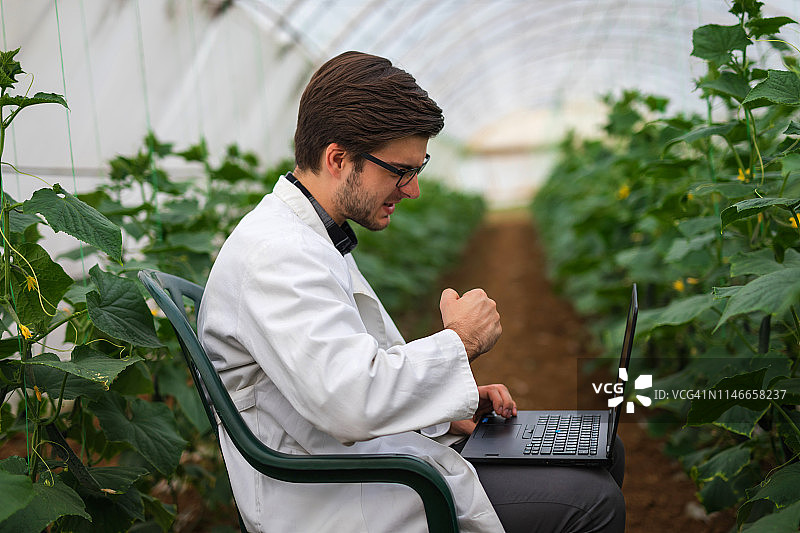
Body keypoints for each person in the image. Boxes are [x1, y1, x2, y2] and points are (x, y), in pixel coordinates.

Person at [198, 51, 625, 532]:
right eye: (401, 170)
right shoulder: (276, 256)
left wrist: (443, 413)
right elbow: (349, 400)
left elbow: (340, 379)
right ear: (338, 159)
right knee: (592, 502)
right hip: (340, 496)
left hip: (368, 464)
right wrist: (460, 342)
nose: (413, 189)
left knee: (602, 449)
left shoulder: (303, 238)